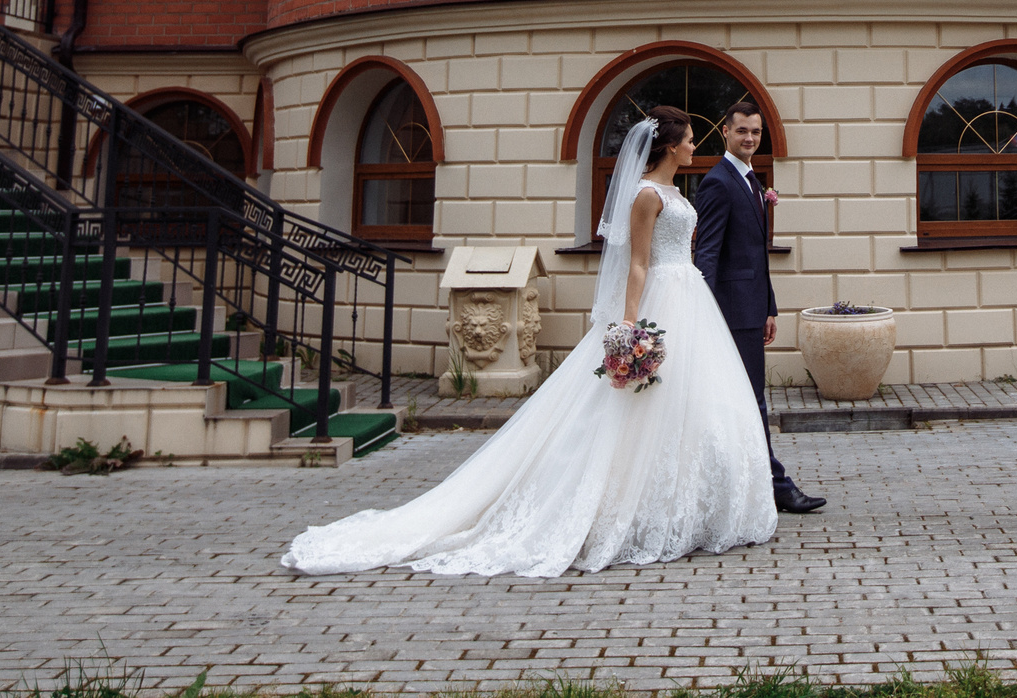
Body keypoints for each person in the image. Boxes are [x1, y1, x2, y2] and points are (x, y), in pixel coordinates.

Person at [279, 108, 775, 578]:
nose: (694, 145)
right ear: (669, 146)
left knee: (692, 404)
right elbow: (638, 263)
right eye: (689, 139)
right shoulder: (647, 195)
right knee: (638, 409)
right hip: (662, 298)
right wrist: (629, 326)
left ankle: (687, 507)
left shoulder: (676, 190)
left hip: (689, 298)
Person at [693, 97, 825, 514]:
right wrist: (705, 313)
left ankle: (754, 483)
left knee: (749, 399)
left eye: (756, 131)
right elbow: (707, 254)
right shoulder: (718, 182)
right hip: (729, 312)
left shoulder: (752, 180)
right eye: (742, 130)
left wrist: (769, 306)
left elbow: (755, 254)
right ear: (725, 132)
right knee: (751, 400)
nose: (749, 138)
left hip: (752, 308)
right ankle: (776, 486)